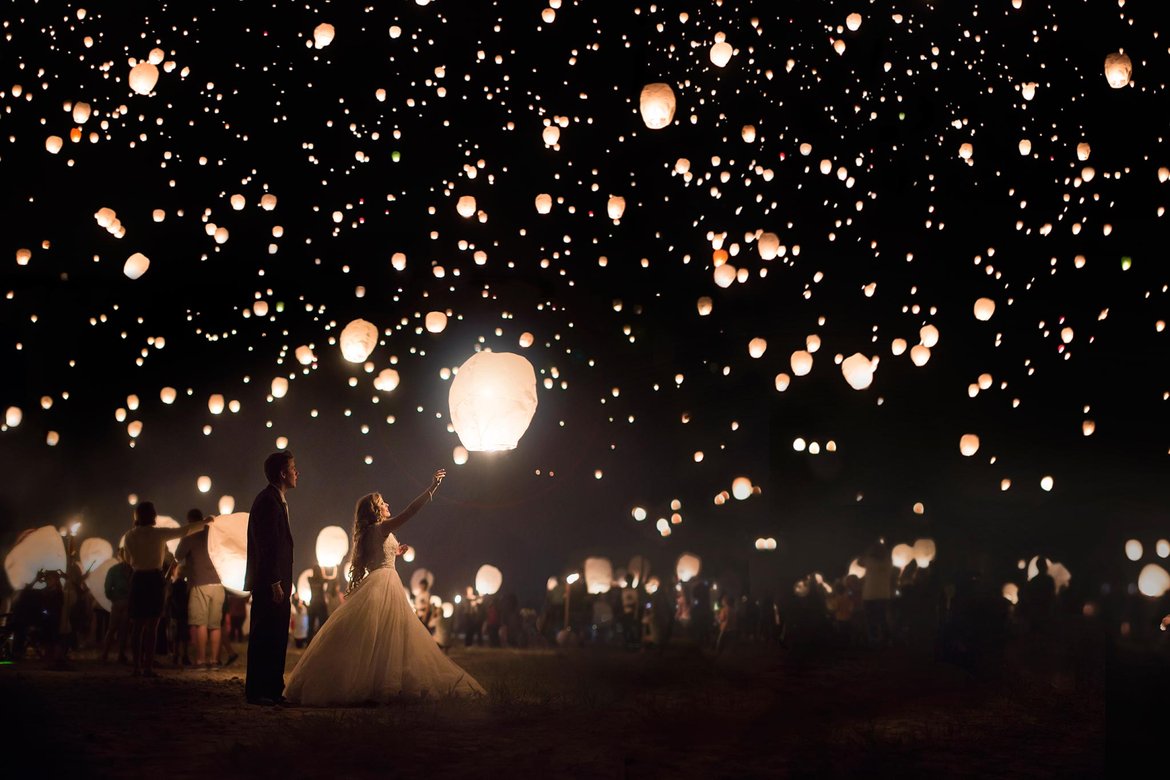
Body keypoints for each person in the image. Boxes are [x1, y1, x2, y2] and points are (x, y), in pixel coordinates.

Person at [283, 469, 485, 705]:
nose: (387, 504)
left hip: (378, 581)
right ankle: (381, 685)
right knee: (389, 635)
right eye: (383, 503)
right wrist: (432, 488)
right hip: (385, 583)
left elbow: (374, 558)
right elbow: (410, 511)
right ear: (376, 510)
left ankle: (368, 682)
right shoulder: (381, 528)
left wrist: (394, 553)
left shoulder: (366, 534)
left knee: (375, 636)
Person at [123, 502, 213, 677]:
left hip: (138, 578)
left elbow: (127, 559)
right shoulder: (158, 534)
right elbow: (184, 531)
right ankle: (148, 667)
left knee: (137, 625)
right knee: (152, 625)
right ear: (152, 516)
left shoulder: (129, 536)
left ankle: (136, 666)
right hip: (154, 579)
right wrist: (205, 522)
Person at [244, 451, 298, 705]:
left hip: (279, 581)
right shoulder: (267, 501)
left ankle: (273, 689)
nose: (297, 472)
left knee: (277, 635)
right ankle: (259, 691)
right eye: (293, 467)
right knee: (265, 635)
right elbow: (266, 545)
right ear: (282, 473)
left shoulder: (277, 500)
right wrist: (275, 582)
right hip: (270, 583)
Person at [175, 508, 228, 669]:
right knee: (215, 624)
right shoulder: (214, 533)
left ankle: (201, 660)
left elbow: (178, 555)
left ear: (190, 520)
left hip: (200, 583)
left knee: (201, 624)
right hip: (218, 584)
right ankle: (214, 660)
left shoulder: (190, 535)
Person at [102, 548, 133, 664]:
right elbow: (108, 588)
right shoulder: (129, 570)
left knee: (115, 629)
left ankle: (109, 653)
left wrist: (114, 598)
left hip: (121, 602)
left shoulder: (115, 570)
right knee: (117, 629)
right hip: (123, 602)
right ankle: (115, 654)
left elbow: (107, 588)